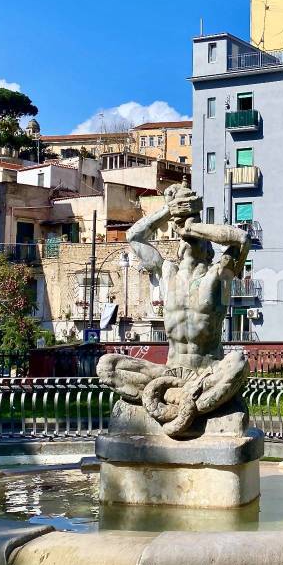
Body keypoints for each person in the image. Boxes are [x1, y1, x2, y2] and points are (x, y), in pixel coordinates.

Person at [97, 181, 251, 438]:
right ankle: (187, 407)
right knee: (107, 365)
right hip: (167, 375)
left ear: (208, 248)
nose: (190, 240)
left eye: (198, 239)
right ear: (178, 247)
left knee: (238, 363)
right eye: (186, 238)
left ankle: (184, 411)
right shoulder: (166, 272)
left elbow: (241, 238)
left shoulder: (220, 275)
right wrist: (171, 210)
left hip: (207, 374)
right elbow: (134, 236)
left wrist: (193, 227)